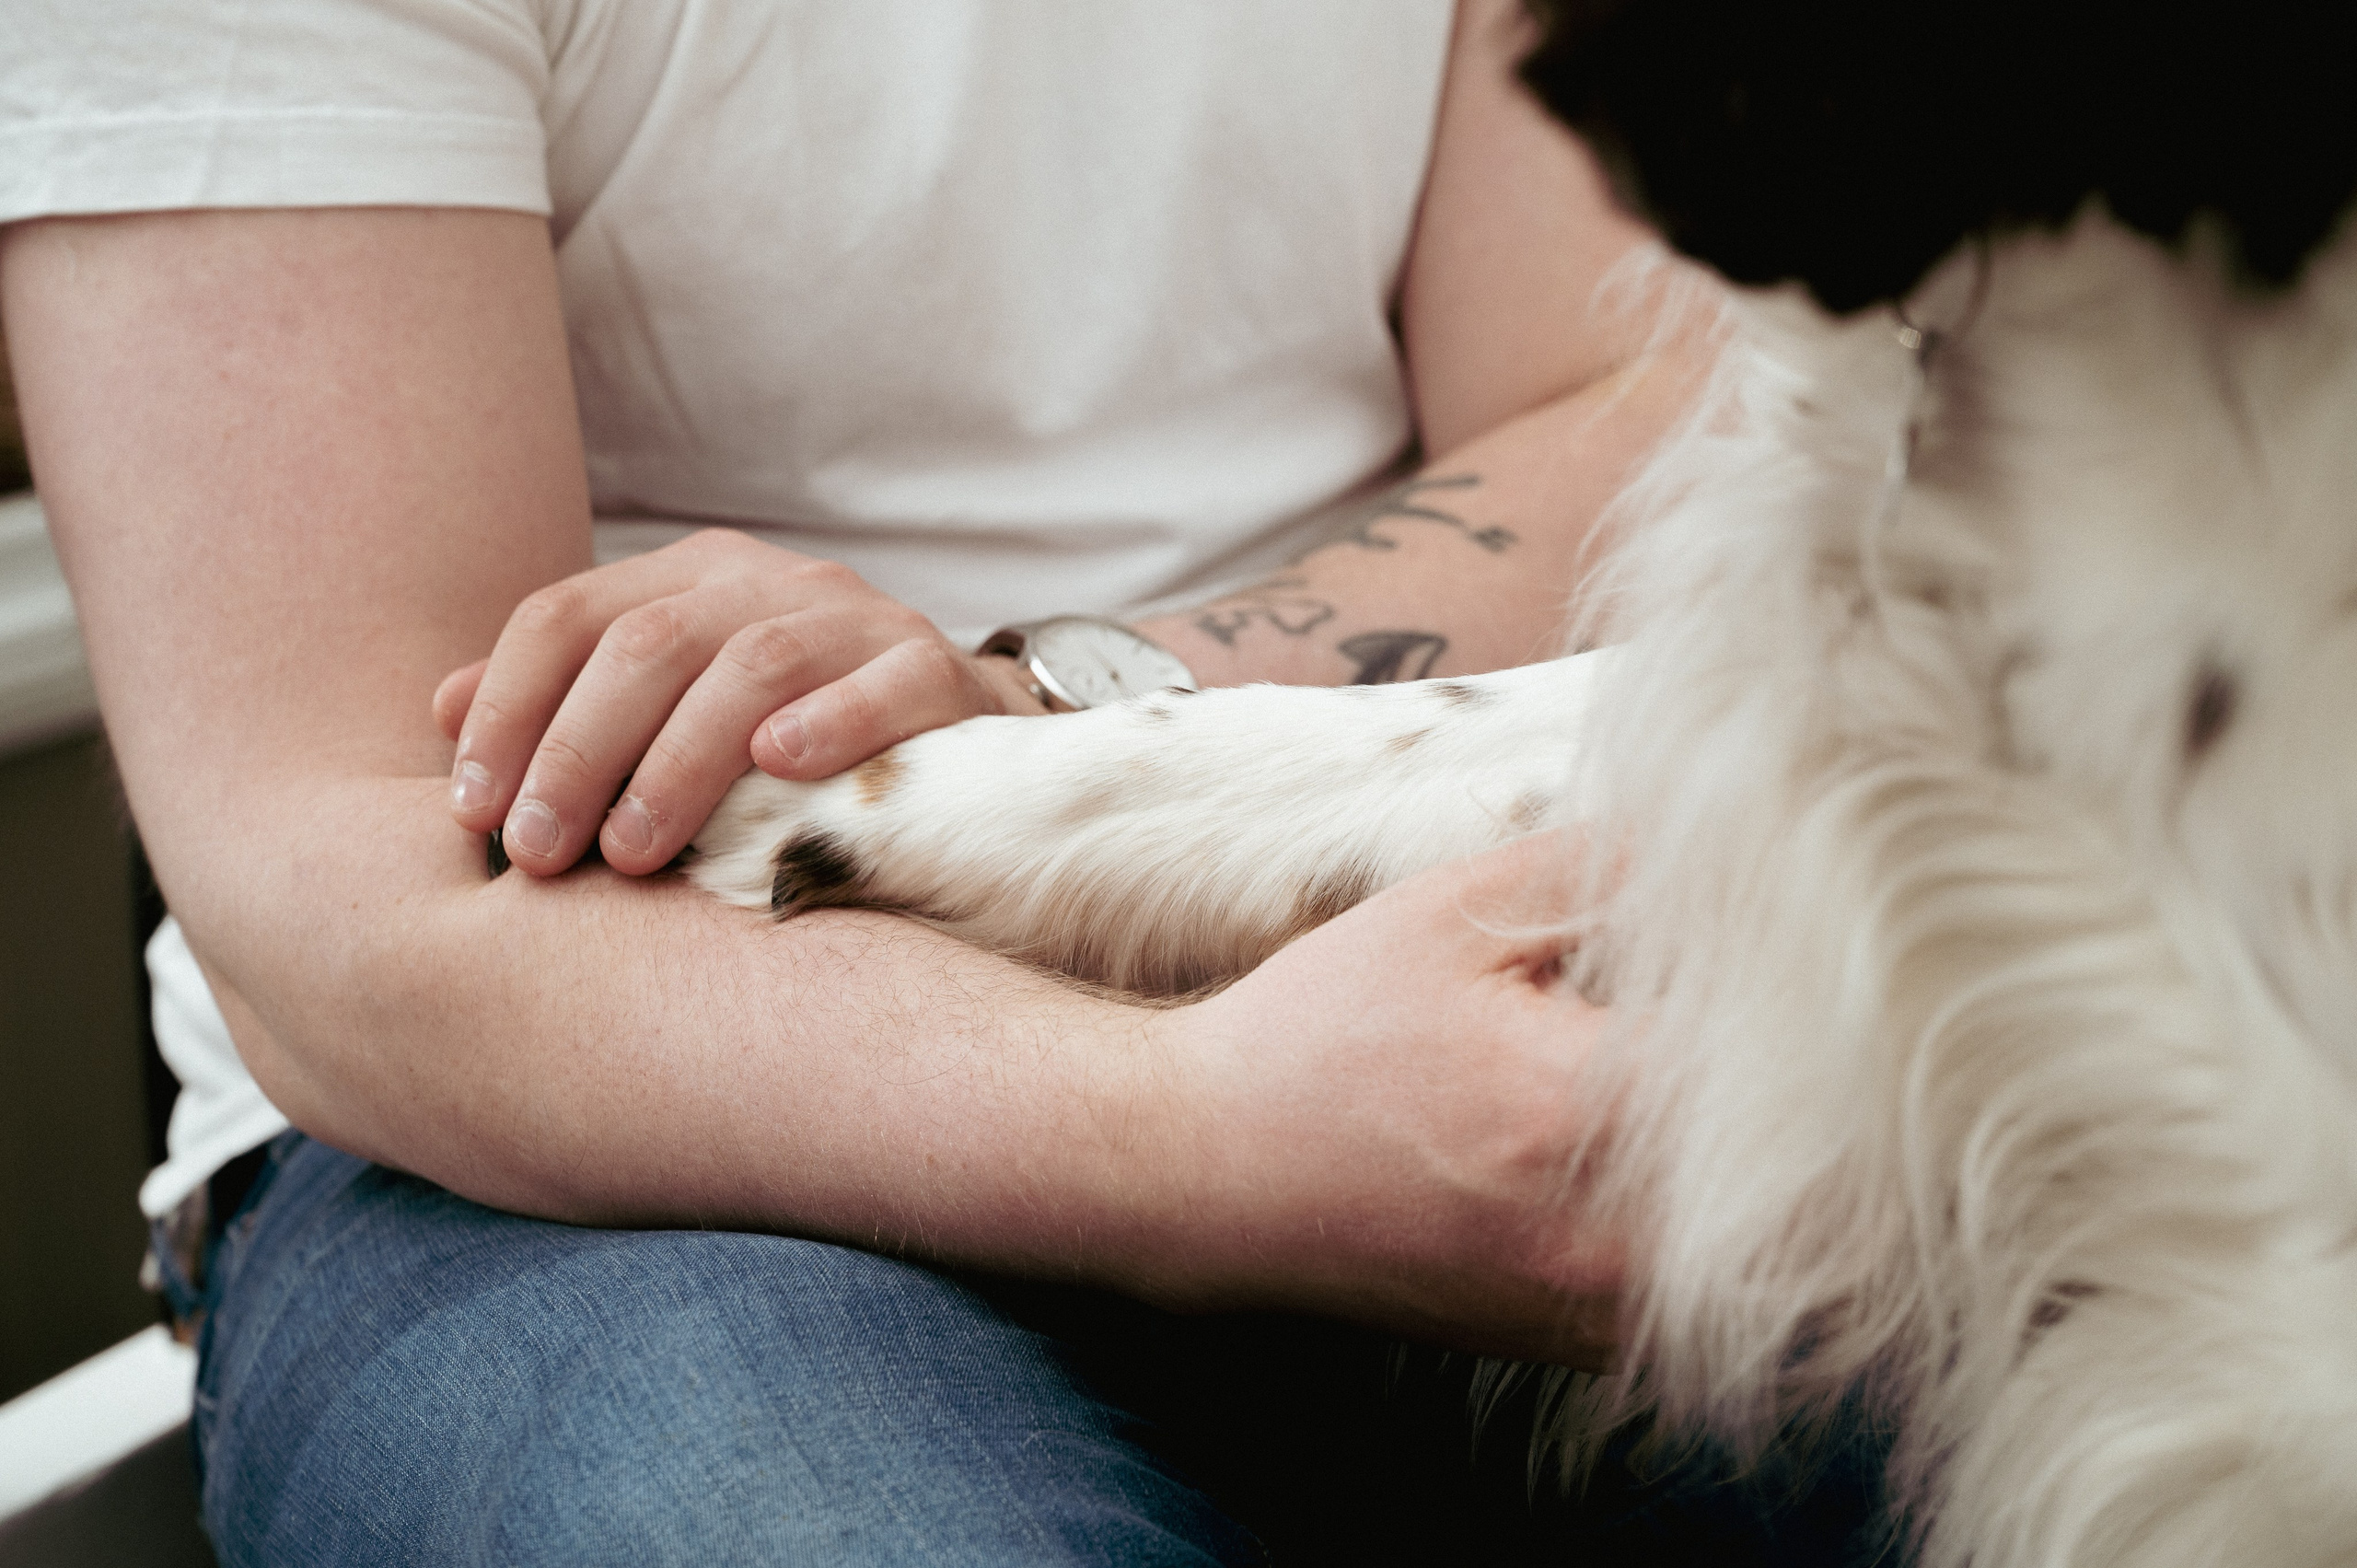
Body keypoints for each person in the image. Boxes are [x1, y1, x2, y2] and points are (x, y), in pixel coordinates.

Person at [4, 1, 1887, 1561]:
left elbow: (1624, 413)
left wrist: (1053, 703)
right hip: (574, 1143)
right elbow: (342, 904)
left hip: (1394, 937)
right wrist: (1200, 1132)